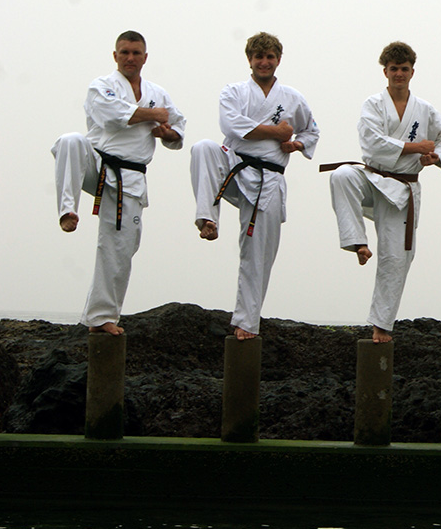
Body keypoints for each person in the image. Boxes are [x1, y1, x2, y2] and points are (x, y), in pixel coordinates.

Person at [52, 31, 186, 335]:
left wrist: (167, 133)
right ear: (115, 55)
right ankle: (67, 209)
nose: (130, 58)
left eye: (136, 53)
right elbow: (112, 117)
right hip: (96, 164)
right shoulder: (101, 86)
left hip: (131, 178)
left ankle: (100, 318)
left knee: (120, 248)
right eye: (124, 52)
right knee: (70, 141)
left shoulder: (157, 92)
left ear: (145, 57)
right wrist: (153, 115)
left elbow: (178, 128)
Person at [190, 32, 319, 340]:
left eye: (270, 57)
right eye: (258, 57)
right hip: (233, 166)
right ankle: (207, 217)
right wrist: (277, 132)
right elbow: (232, 126)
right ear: (249, 59)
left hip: (269, 178)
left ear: (278, 60)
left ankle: (246, 323)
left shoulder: (293, 98)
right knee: (203, 147)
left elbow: (311, 131)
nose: (264, 62)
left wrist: (297, 143)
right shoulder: (233, 91)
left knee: (258, 253)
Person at [324, 41, 441, 344]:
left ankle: (381, 326)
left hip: (402, 189)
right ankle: (357, 242)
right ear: (385, 71)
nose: (399, 74)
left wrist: (434, 157)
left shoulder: (425, 110)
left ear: (412, 72)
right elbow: (372, 144)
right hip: (372, 178)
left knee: (397, 259)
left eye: (404, 69)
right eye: (393, 69)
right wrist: (415, 146)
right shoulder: (373, 104)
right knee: (342, 174)